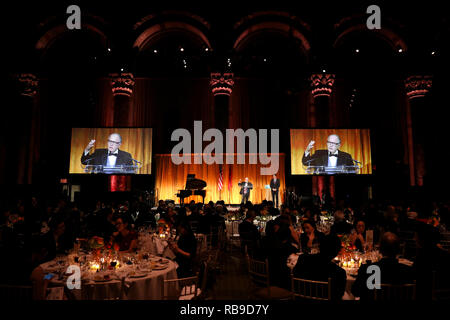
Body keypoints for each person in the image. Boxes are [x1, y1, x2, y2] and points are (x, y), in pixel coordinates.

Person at [351, 232, 415, 300]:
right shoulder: (408, 271)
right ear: (399, 250)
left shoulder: (367, 269)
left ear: (380, 250)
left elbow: (355, 292)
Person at [293, 234, 346, 300]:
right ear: (337, 251)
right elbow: (338, 295)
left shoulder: (303, 258)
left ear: (319, 247)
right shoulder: (339, 272)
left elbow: (294, 279)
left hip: (301, 298)